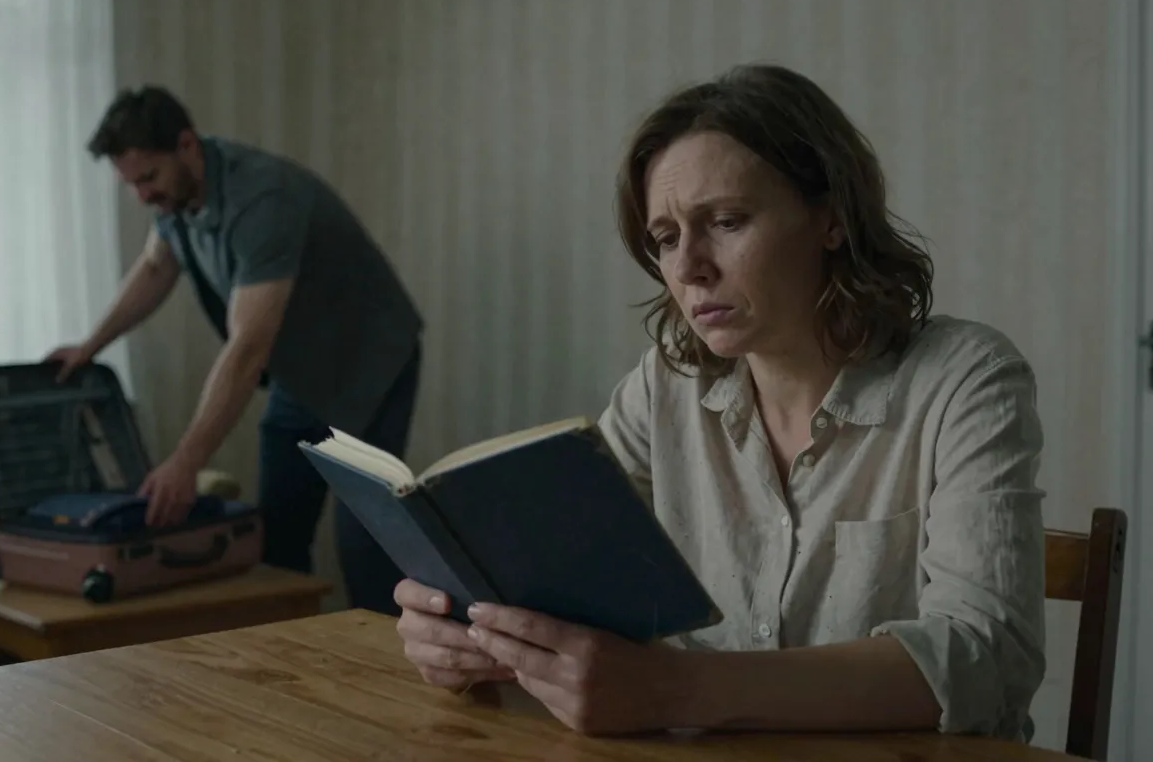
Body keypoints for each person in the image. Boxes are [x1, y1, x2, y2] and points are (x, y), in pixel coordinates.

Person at [393, 63, 1047, 740]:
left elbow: (990, 656)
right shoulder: (666, 385)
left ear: (831, 217)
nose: (688, 268)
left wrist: (675, 691)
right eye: (666, 238)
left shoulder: (965, 379)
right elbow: (554, 569)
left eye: (727, 221)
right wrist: (466, 624)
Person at [48, 86, 423, 616]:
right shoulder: (175, 198)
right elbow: (155, 266)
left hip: (369, 365)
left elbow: (247, 348)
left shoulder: (263, 200)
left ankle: (388, 664)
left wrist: (186, 462)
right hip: (300, 372)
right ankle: (290, 661)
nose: (142, 195)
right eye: (130, 184)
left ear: (186, 145)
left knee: (365, 543)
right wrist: (90, 346)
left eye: (148, 178)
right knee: (276, 537)